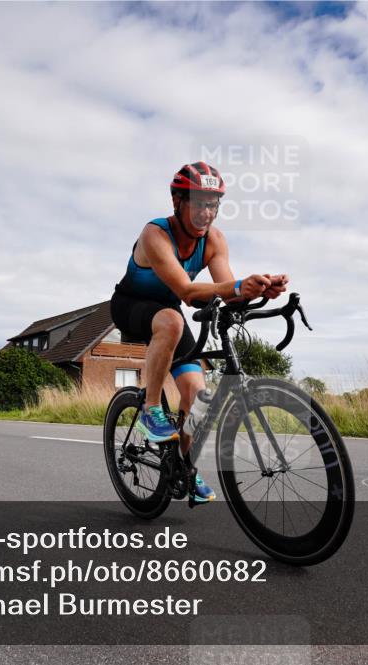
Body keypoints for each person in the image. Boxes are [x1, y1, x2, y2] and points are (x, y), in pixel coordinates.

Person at [110, 162, 289, 504]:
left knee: (200, 398)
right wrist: (237, 285)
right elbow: (188, 292)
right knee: (173, 321)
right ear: (177, 202)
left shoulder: (214, 241)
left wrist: (258, 290)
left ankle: (183, 468)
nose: (207, 212)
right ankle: (150, 409)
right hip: (131, 305)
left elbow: (227, 288)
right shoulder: (155, 234)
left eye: (214, 204)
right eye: (199, 203)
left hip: (169, 315)